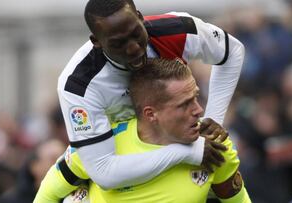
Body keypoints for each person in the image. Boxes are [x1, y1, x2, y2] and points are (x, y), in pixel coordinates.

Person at [56, 0, 244, 190]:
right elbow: (103, 172)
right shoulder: (78, 85)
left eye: (136, 34)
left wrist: (213, 119)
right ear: (96, 42)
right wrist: (188, 153)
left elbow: (232, 51)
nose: (134, 49)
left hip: (172, 146)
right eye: (118, 44)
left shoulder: (179, 30)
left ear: (140, 17)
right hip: (117, 169)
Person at [35, 59, 250, 203]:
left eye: (195, 96)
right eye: (184, 104)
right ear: (150, 114)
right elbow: (47, 195)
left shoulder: (213, 147)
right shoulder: (101, 147)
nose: (199, 110)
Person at [0, 139, 65, 203]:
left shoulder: (71, 198)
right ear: (35, 166)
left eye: (65, 159)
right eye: (54, 158)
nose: (62, 164)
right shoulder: (10, 200)